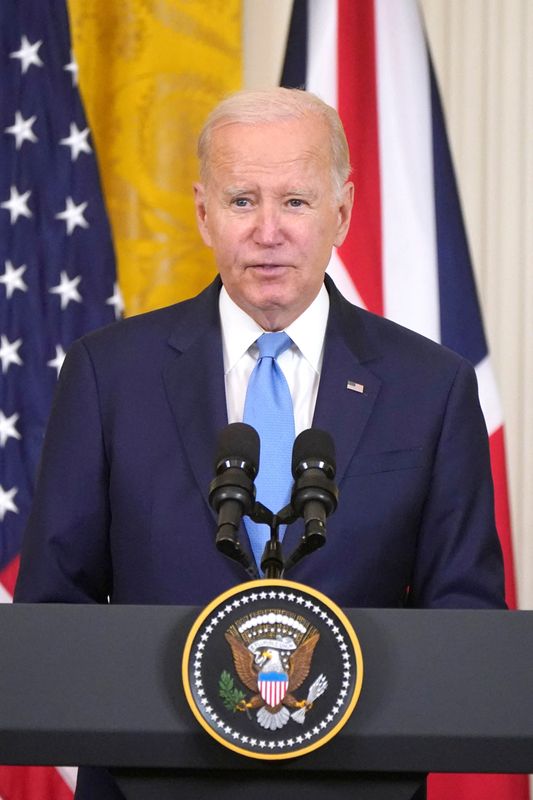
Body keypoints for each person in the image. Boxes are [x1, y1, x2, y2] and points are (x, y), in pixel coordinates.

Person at [14, 88, 505, 797]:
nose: (267, 231)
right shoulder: (108, 373)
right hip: (149, 784)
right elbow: (54, 607)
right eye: (242, 200)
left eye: (296, 202)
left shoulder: (432, 387)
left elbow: (464, 616)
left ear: (341, 210)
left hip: (354, 786)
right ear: (202, 210)